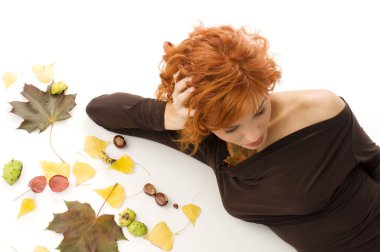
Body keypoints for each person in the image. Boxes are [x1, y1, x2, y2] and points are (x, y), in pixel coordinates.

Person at [86, 24, 380, 251]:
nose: (252, 135)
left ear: (265, 84)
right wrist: (170, 116)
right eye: (231, 128)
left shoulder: (322, 111)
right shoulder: (208, 143)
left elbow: (375, 162)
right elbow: (100, 110)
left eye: (260, 109)